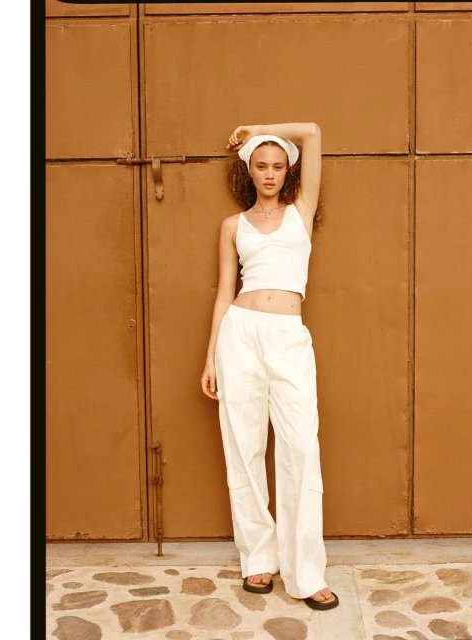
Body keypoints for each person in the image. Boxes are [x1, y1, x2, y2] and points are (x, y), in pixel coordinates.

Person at [201, 122, 339, 611]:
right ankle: (258, 557)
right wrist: (211, 356)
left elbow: (314, 133)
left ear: (288, 172)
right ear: (249, 171)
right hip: (239, 333)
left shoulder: (301, 213)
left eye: (278, 166)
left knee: (301, 447)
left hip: (287, 336)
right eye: (261, 165)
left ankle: (306, 572)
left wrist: (257, 131)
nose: (269, 174)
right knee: (244, 446)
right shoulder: (232, 226)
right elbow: (224, 293)